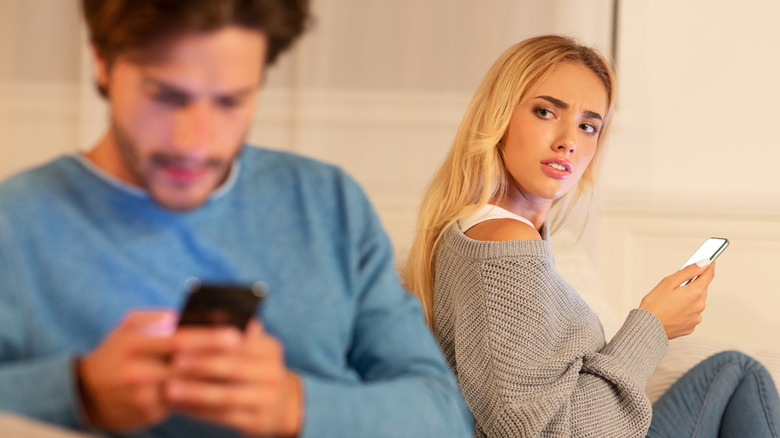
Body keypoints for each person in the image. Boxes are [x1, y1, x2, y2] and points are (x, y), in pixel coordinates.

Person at [0, 1, 473, 437]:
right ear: (102, 63)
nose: (194, 142)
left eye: (230, 102)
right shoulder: (16, 223)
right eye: (165, 96)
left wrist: (293, 407)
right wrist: (77, 394)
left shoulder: (327, 202)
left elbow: (444, 417)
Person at [403, 34, 780, 437]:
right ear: (499, 116)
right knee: (742, 374)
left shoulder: (488, 232)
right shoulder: (505, 243)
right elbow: (541, 431)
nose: (568, 141)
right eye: (546, 112)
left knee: (735, 371)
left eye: (587, 126)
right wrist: (653, 325)